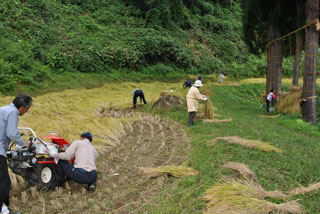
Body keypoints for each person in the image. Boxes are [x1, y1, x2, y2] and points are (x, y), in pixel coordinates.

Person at [0, 94, 32, 214]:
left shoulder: (2, 109)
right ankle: (4, 210)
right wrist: (24, 144)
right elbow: (12, 133)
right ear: (22, 108)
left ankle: (4, 208)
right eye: (27, 109)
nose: (27, 111)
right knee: (4, 181)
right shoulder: (13, 112)